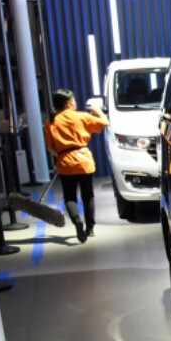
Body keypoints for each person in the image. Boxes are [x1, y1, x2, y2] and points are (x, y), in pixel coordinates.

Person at [44, 89, 108, 243]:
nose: (75, 102)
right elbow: (104, 123)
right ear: (68, 103)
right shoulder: (81, 116)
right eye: (73, 100)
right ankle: (90, 228)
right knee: (88, 195)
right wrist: (98, 110)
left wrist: (61, 155)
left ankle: (77, 221)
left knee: (70, 197)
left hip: (65, 162)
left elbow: (50, 148)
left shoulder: (51, 121)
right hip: (84, 161)